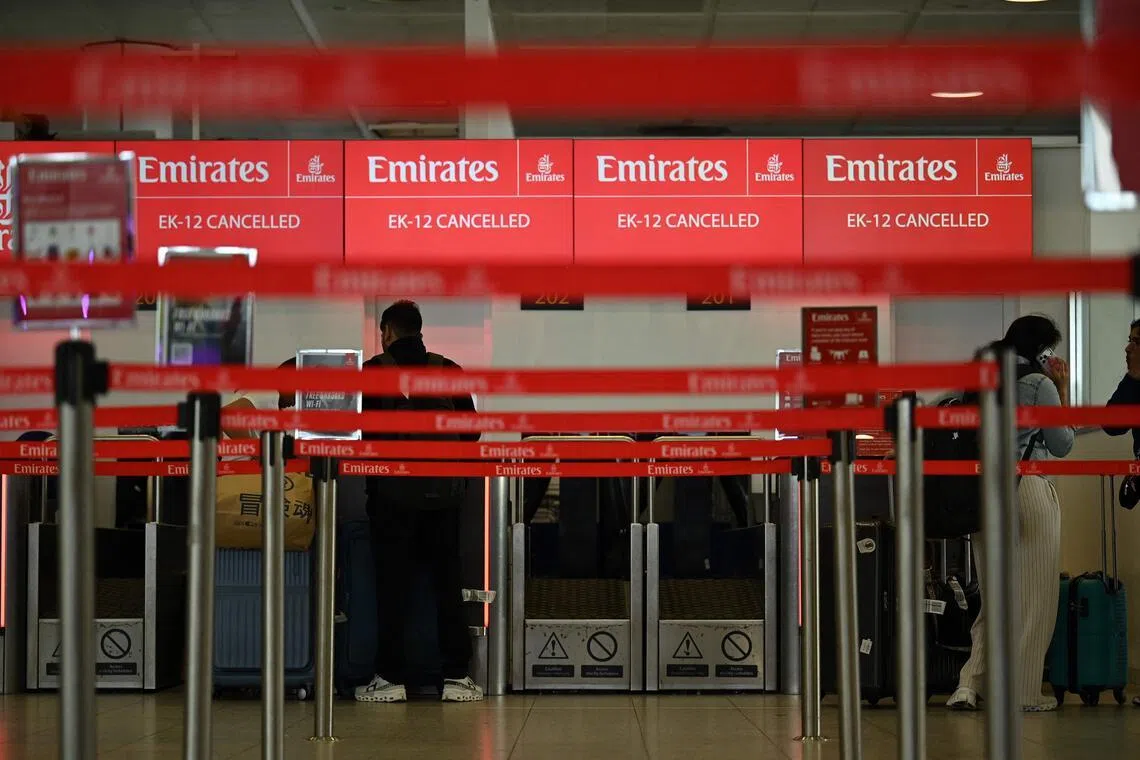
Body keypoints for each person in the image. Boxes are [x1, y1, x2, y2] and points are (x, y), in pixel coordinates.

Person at [354, 300, 483, 704]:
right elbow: (473, 433)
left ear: (388, 332)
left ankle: (390, 678)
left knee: (392, 589)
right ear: (419, 330)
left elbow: (358, 432)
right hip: (443, 499)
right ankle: (457, 677)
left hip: (391, 500)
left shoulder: (372, 373)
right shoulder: (448, 370)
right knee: (447, 586)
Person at [947, 315, 1075, 713]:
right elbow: (1062, 444)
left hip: (982, 492)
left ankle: (969, 684)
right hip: (1027, 488)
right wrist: (1062, 389)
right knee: (1035, 599)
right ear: (1040, 350)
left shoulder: (979, 379)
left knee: (994, 598)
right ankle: (1023, 693)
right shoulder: (1038, 384)